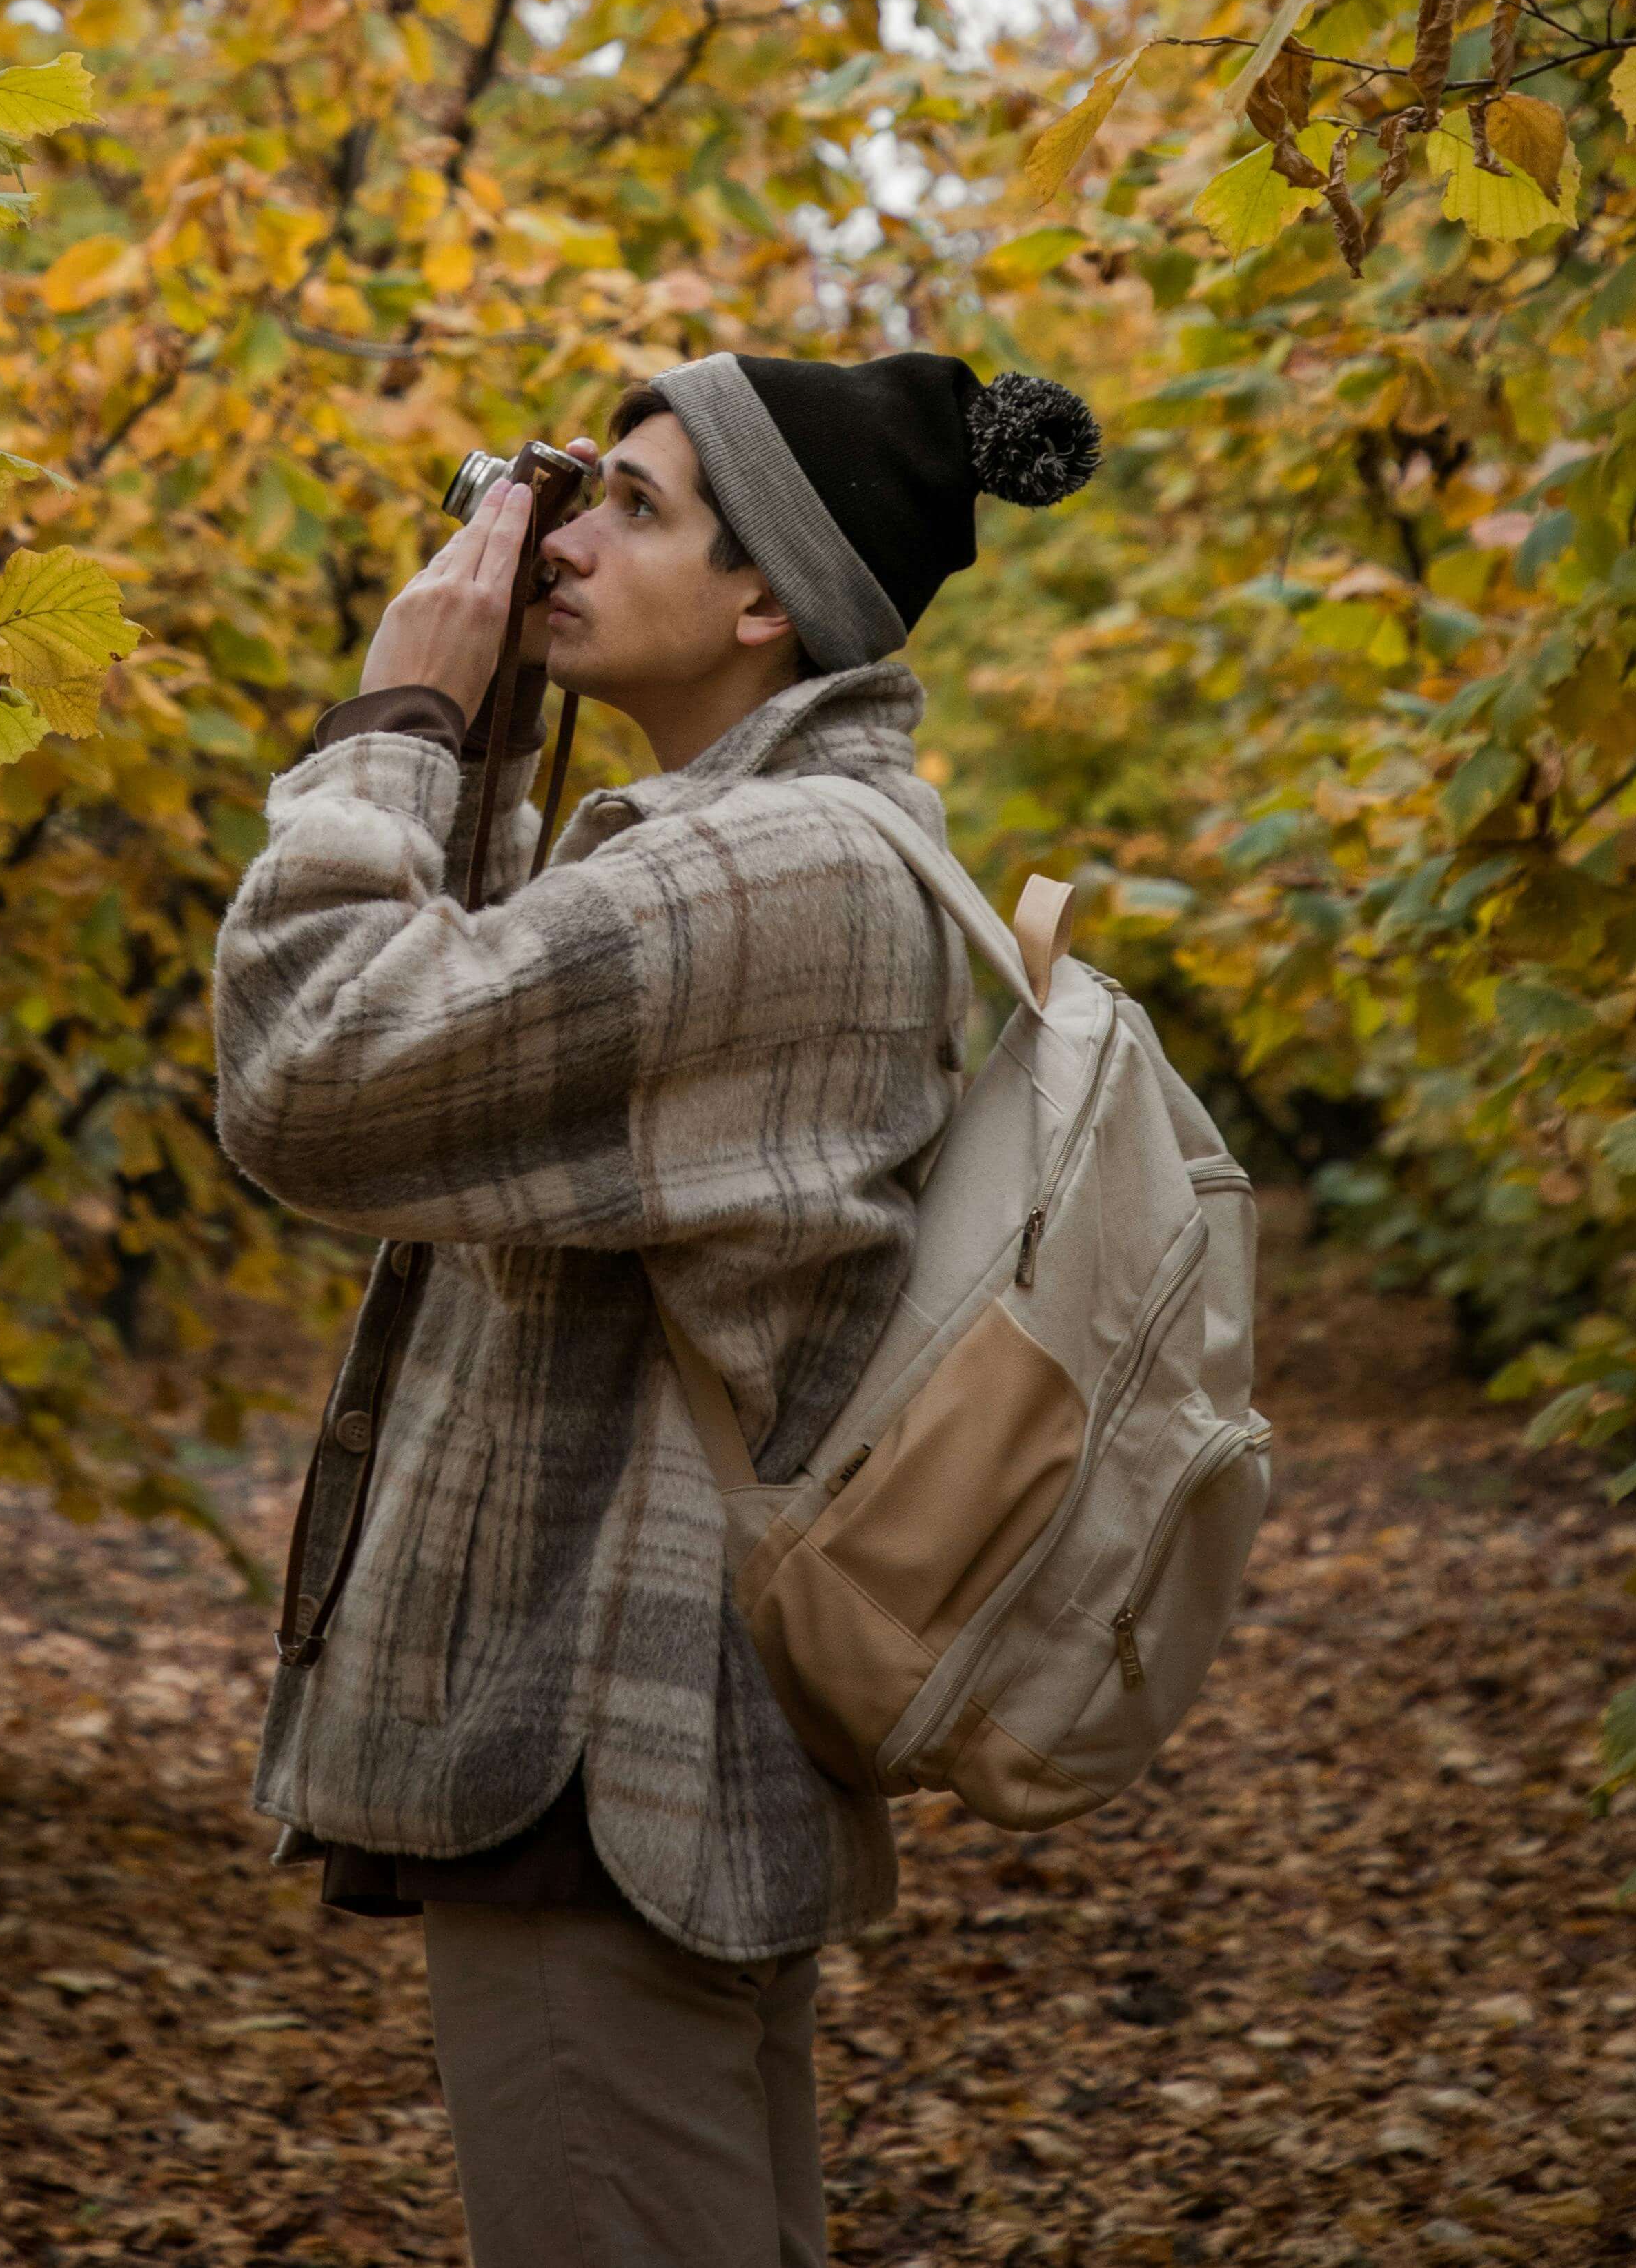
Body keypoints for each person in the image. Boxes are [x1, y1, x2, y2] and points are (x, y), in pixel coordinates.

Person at [210, 348, 1099, 2268]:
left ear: (767, 593)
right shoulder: (794, 840)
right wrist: (482, 731)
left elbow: (312, 1074)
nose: (566, 538)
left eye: (635, 507)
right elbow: (468, 1048)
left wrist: (394, 718)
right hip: (662, 1743)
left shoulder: (759, 870)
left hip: (598, 1746)